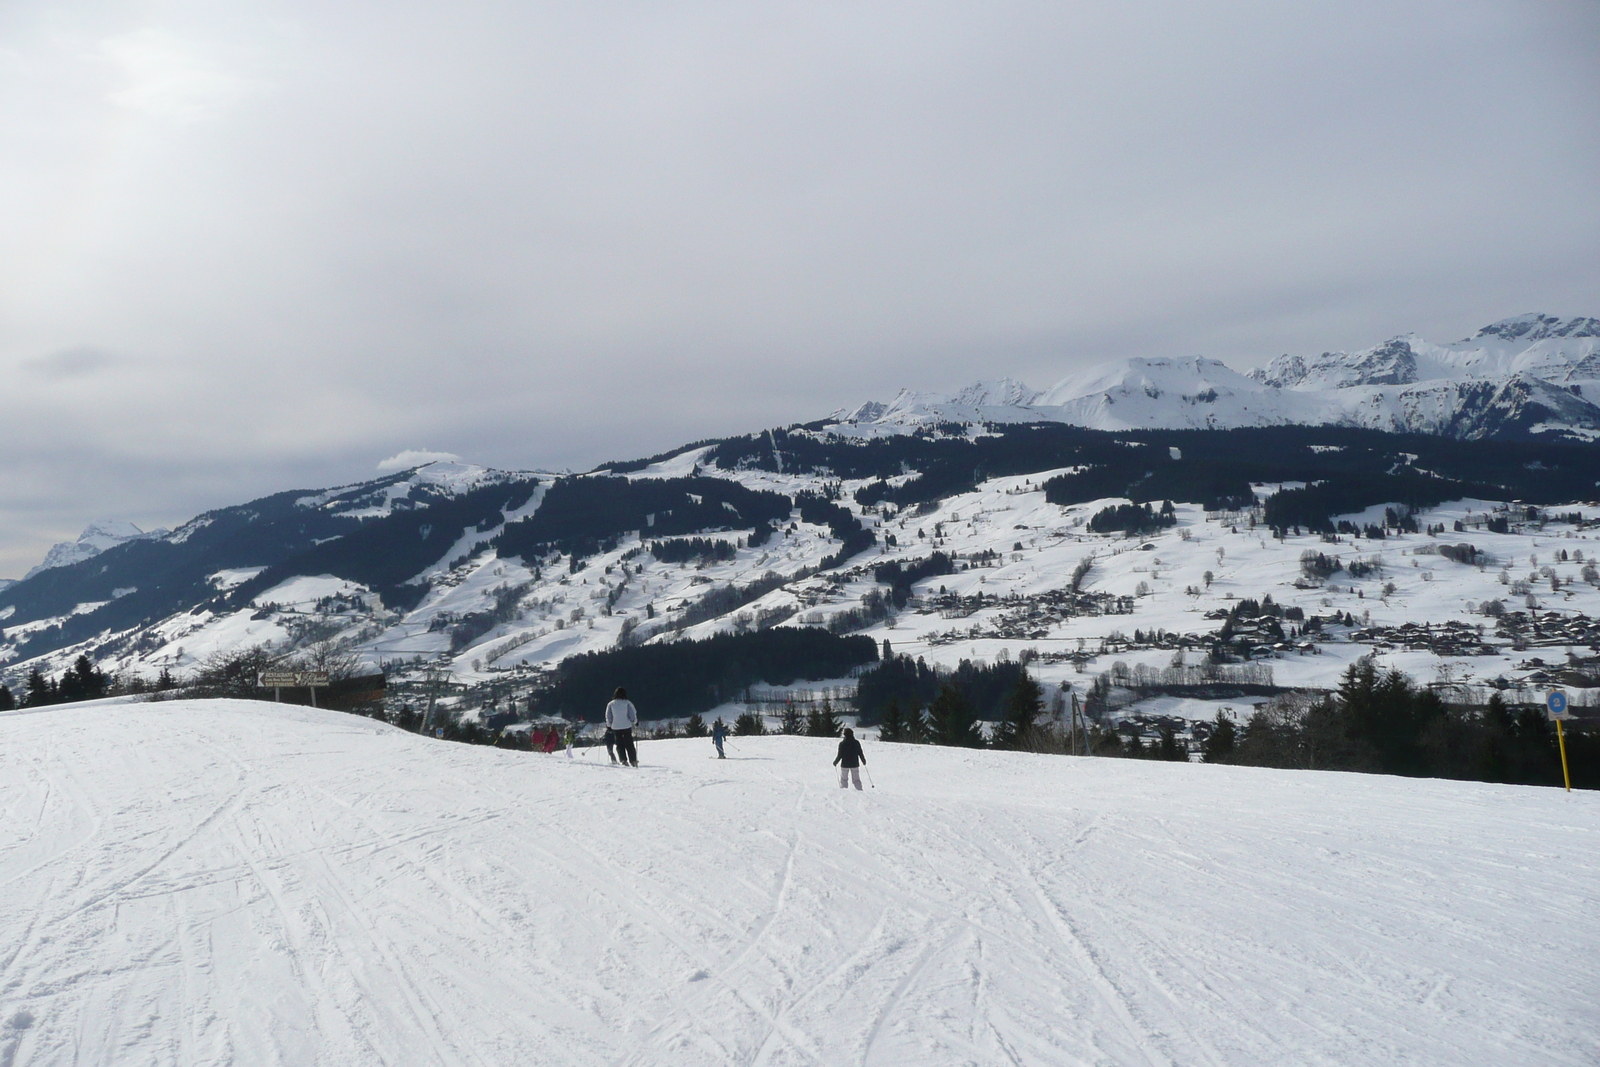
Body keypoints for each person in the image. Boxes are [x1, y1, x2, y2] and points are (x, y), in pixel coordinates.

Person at [605, 687, 639, 767]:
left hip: (616, 727)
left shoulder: (611, 704)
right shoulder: (627, 703)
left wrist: (609, 725)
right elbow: (632, 715)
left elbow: (608, 716)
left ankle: (623, 760)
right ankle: (633, 760)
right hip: (626, 726)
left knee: (619, 744)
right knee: (629, 743)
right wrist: (635, 722)